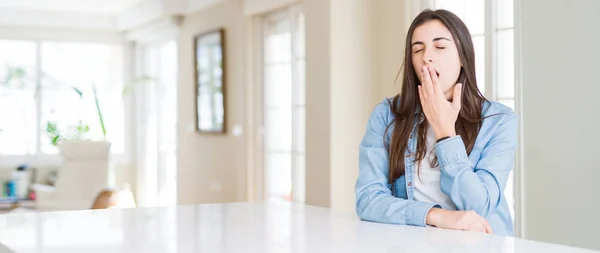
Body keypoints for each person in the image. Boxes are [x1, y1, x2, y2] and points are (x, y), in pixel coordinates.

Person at [355, 8, 518, 236]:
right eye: (417, 49)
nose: (426, 57)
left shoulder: (499, 121)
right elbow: (368, 199)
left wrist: (445, 133)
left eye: (440, 47)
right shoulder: (386, 115)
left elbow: (479, 206)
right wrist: (437, 216)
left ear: (463, 56)